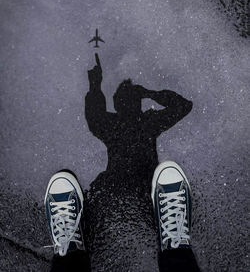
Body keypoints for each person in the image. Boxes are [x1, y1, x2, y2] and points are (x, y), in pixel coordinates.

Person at [44, 55, 200, 271]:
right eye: (123, 98)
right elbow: (182, 106)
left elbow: (184, 106)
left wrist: (99, 87)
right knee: (102, 196)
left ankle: (74, 245)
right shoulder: (141, 121)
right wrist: (98, 86)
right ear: (118, 103)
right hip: (131, 181)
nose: (125, 101)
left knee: (99, 197)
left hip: (125, 182)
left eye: (129, 97)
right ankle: (174, 245)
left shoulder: (137, 121)